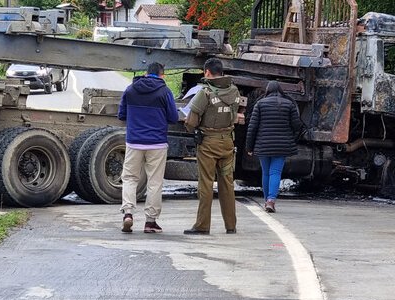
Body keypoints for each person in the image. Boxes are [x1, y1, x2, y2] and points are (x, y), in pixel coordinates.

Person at [117, 62, 179, 233]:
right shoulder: (164, 91)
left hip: (134, 142)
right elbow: (173, 117)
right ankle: (150, 222)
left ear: (146, 73)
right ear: (162, 75)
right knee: (154, 182)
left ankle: (128, 213)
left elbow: (121, 115)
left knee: (129, 178)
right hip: (157, 143)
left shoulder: (130, 89)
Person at [183, 58, 241, 235]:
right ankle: (230, 225)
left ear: (207, 72)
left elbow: (191, 120)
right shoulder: (234, 90)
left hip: (208, 143)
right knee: (227, 183)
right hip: (228, 142)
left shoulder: (205, 92)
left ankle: (202, 225)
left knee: (206, 183)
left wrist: (192, 127)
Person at [245, 80, 302, 213]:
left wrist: (249, 147)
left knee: (266, 172)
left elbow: (252, 127)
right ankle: (271, 200)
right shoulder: (289, 104)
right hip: (281, 145)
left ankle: (266, 201)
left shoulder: (260, 104)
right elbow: (297, 126)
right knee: (275, 172)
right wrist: (291, 136)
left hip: (263, 144)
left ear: (268, 91)